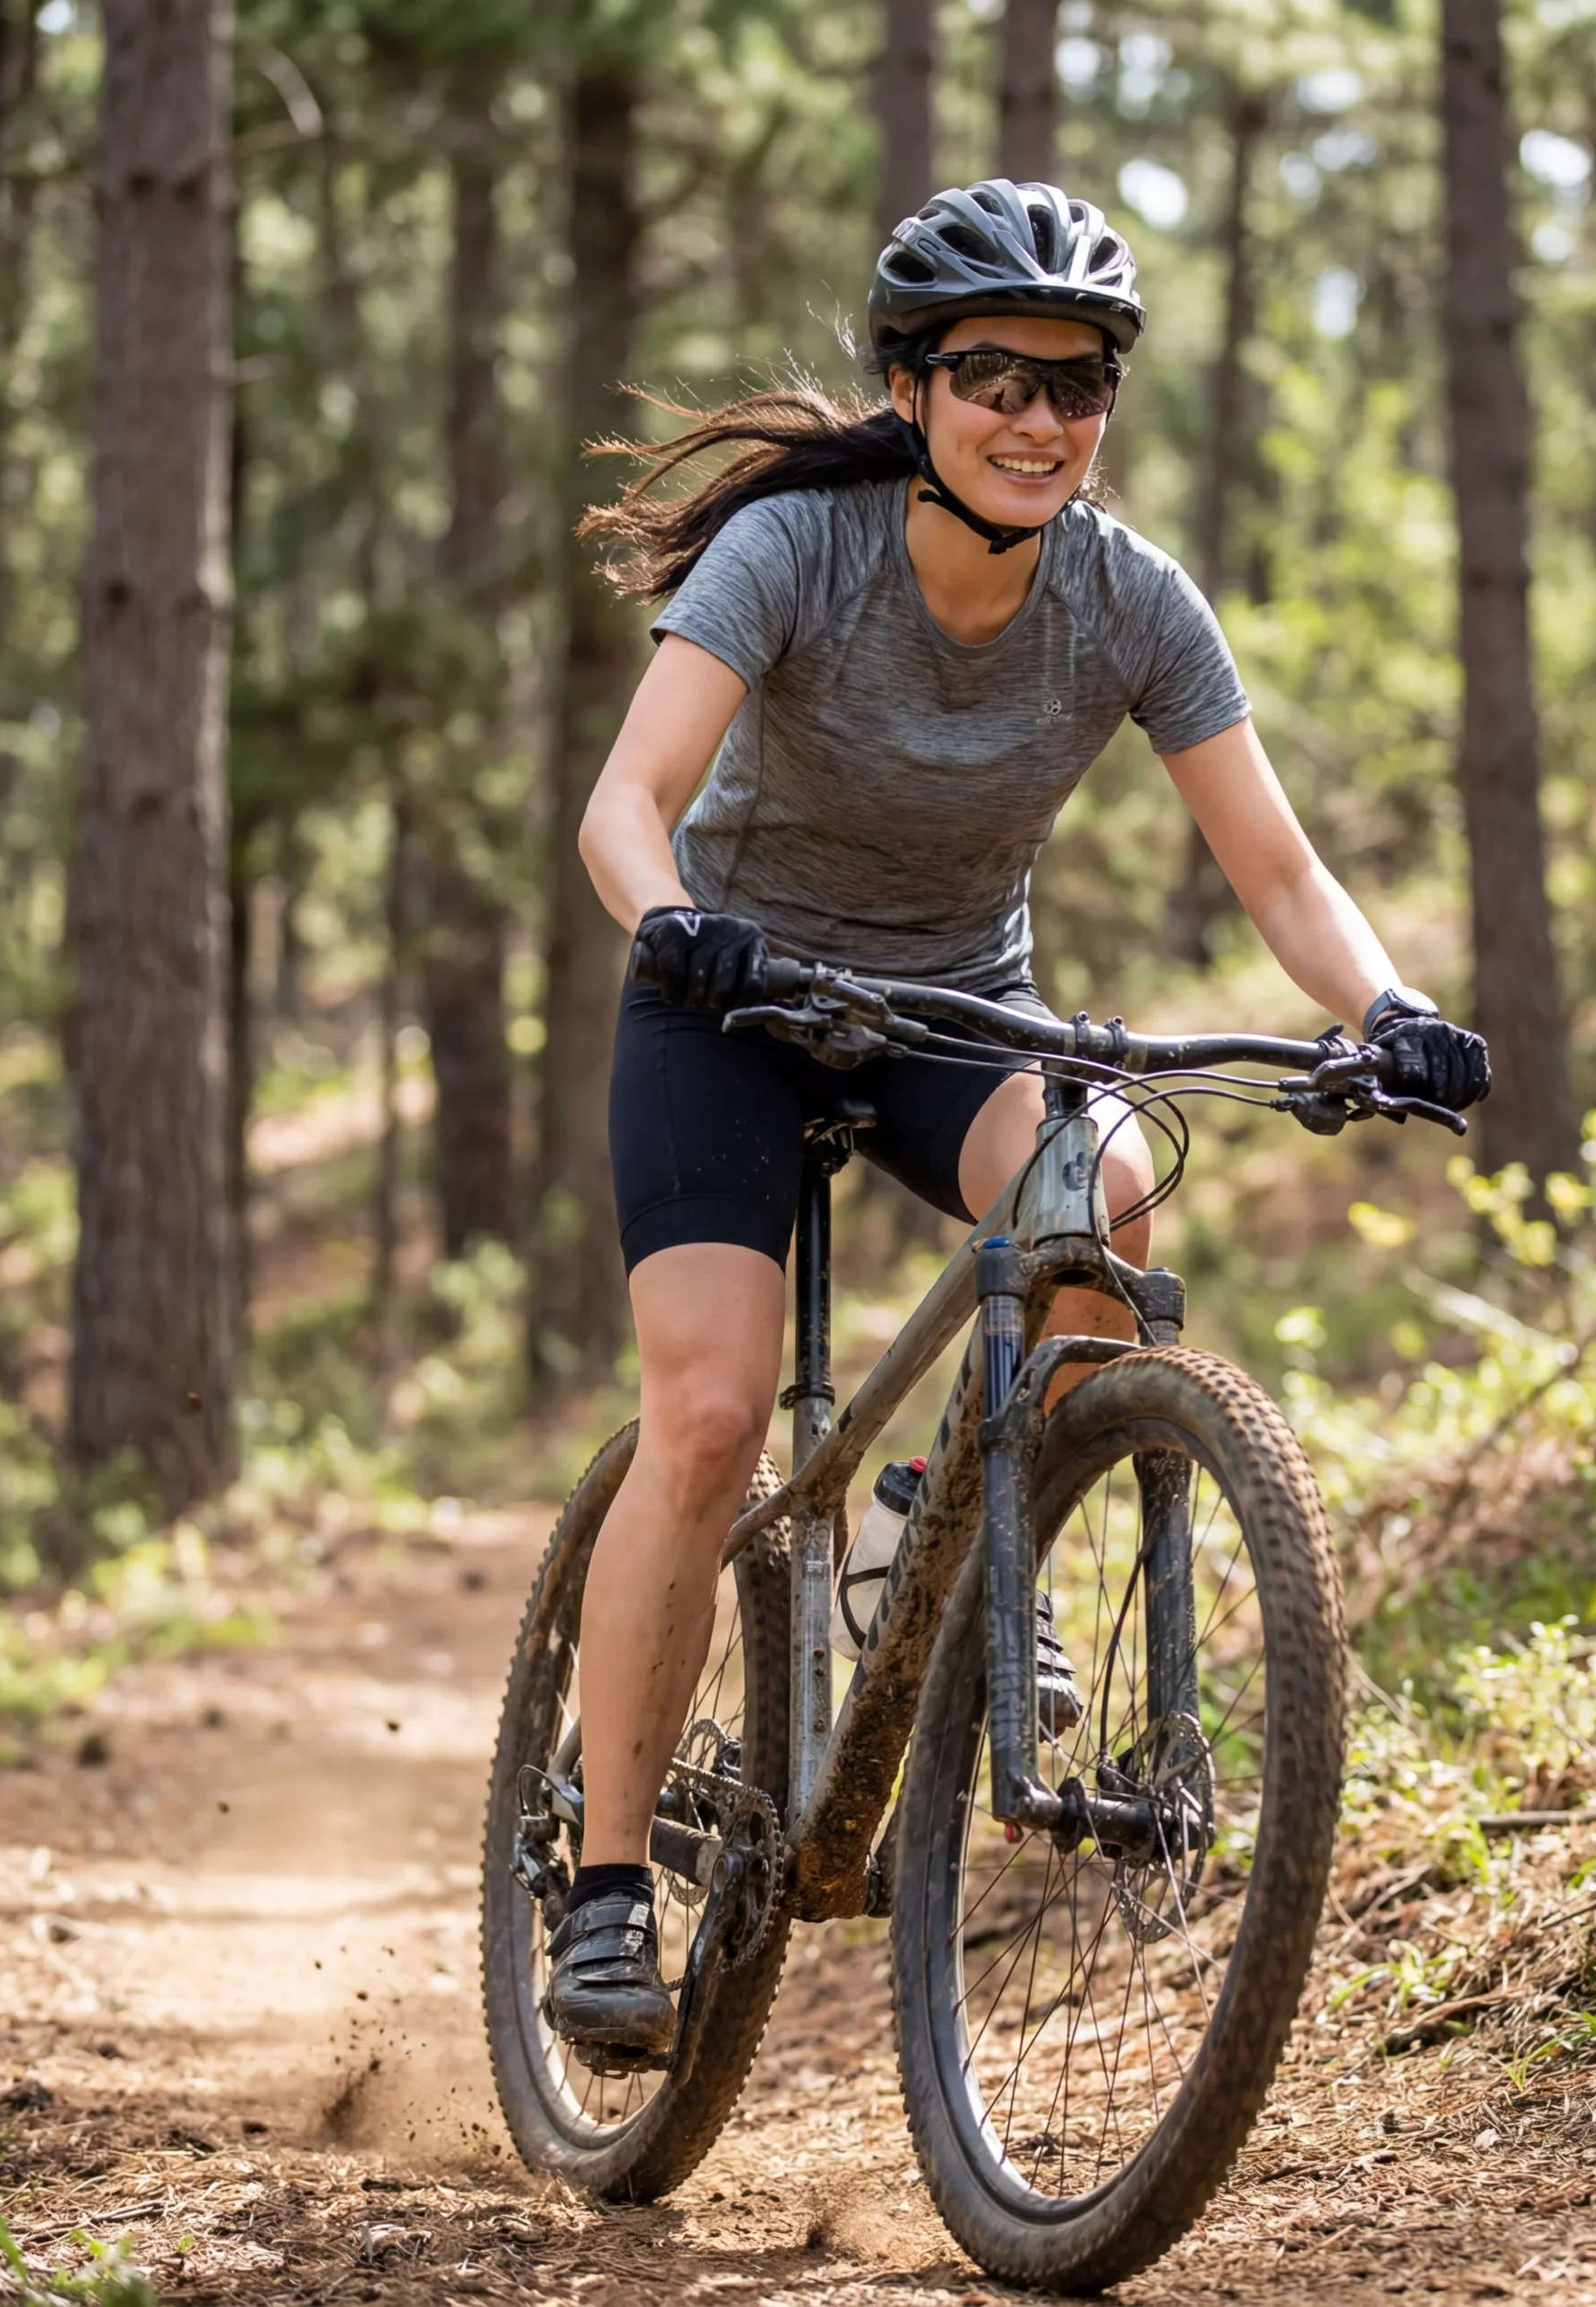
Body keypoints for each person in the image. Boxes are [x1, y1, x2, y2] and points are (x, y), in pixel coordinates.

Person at [553, 178, 1490, 2059]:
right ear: (911, 388)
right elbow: (621, 807)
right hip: (729, 1005)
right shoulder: (798, 552)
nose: (1037, 417)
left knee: (1108, 1190)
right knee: (713, 1413)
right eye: (993, 376)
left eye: (1076, 383)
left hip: (949, 1009)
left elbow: (1279, 871)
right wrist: (677, 929)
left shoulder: (1127, 599)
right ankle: (601, 1882)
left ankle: (930, 1518)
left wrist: (1382, 1009)